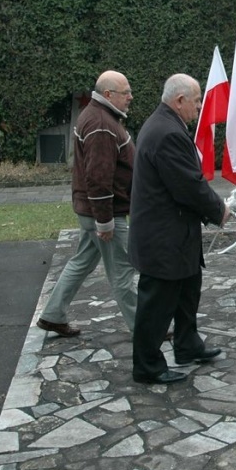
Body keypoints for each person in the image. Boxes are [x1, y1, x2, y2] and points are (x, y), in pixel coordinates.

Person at [129, 73, 232, 384]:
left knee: (188, 288)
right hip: (163, 238)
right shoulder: (168, 133)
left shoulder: (164, 124)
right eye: (197, 100)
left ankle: (187, 344)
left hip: (175, 234)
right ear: (179, 101)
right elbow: (188, 185)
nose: (199, 107)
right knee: (157, 303)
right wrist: (219, 210)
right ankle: (147, 366)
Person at [37, 70, 139, 336]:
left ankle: (52, 314)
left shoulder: (99, 116)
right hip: (105, 213)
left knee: (82, 260)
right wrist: (104, 221)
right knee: (122, 272)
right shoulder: (102, 125)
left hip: (93, 210)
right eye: (125, 92)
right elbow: (98, 178)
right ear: (108, 95)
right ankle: (144, 327)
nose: (131, 96)